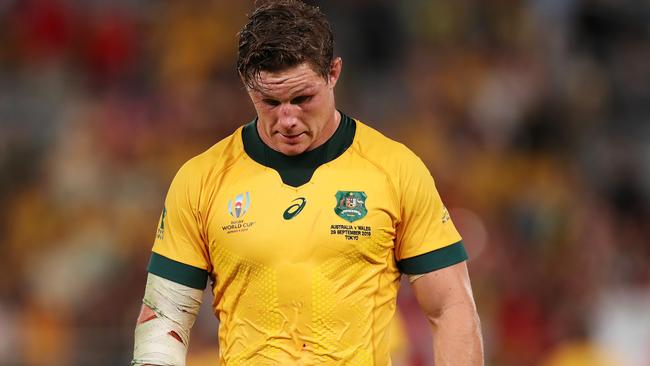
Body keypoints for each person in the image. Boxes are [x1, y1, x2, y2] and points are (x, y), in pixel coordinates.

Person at [132, 1, 484, 365]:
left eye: (302, 99)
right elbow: (165, 318)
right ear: (245, 83)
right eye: (269, 101)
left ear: (333, 73)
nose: (286, 119)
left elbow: (450, 307)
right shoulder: (201, 179)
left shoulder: (395, 170)